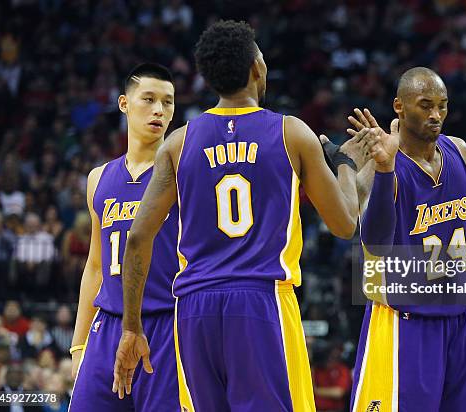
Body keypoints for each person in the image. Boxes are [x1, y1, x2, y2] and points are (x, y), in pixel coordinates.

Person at [112, 20, 369, 412]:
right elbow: (345, 223)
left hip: (193, 307)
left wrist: (132, 327)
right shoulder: (291, 133)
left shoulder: (178, 143)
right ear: (256, 67)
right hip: (261, 300)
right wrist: (348, 163)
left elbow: (136, 238)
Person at [348, 67, 466, 411]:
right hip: (406, 322)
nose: (435, 115)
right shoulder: (379, 165)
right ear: (399, 106)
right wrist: (384, 170)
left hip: (465, 319)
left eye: (442, 106)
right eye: (425, 105)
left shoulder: (459, 151)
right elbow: (375, 241)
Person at [68, 63, 180, 411]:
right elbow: (95, 268)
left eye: (168, 102)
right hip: (107, 327)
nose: (159, 110)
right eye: (148, 99)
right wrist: (78, 346)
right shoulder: (98, 179)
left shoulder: (183, 173)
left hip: (165, 325)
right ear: (124, 103)